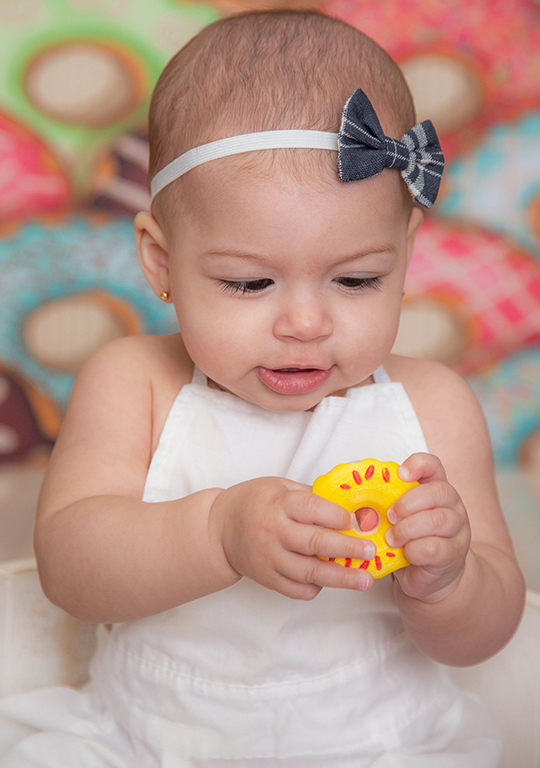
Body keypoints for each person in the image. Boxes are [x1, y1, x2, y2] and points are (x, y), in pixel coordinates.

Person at [0, 9, 525, 767]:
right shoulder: (133, 383)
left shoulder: (432, 405)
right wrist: (216, 532)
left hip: (381, 741)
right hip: (146, 738)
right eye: (249, 283)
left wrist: (449, 581)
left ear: (405, 257)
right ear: (161, 262)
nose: (305, 323)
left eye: (357, 279)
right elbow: (71, 573)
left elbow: (491, 635)